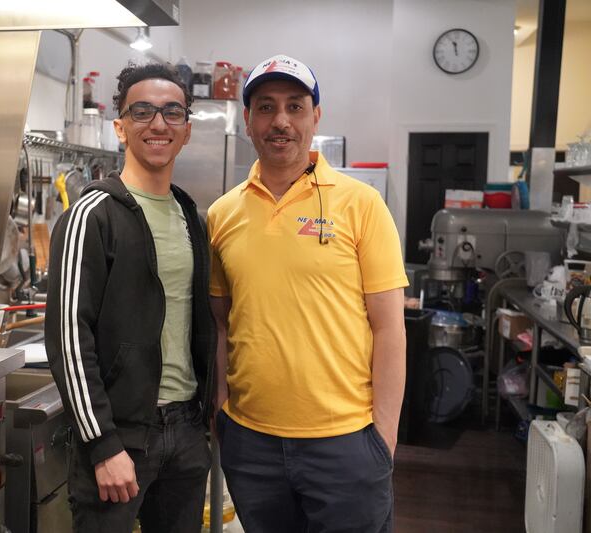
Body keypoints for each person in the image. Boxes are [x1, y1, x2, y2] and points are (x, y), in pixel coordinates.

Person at [207, 54, 408, 532]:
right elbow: (221, 323)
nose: (281, 121)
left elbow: (389, 328)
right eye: (266, 107)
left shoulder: (361, 204)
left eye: (295, 107)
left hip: (345, 442)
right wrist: (220, 411)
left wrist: (383, 438)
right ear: (248, 120)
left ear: (316, 116)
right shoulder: (222, 214)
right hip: (251, 442)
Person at [45, 62, 216, 533]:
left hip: (185, 431)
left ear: (186, 131)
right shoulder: (91, 214)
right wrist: (101, 444)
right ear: (120, 128)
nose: (158, 123)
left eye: (171, 113)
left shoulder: (190, 216)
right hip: (120, 439)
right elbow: (67, 336)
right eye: (142, 112)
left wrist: (206, 416)